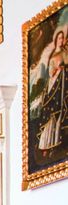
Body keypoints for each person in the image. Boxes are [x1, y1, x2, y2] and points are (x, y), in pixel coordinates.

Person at [37, 29, 67, 157]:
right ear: (56, 40)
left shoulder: (65, 53)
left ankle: (56, 143)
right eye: (59, 38)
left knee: (59, 113)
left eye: (62, 38)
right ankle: (46, 145)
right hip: (54, 85)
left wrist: (64, 68)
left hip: (63, 84)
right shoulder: (54, 56)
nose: (61, 40)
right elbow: (50, 74)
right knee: (51, 114)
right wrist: (58, 69)